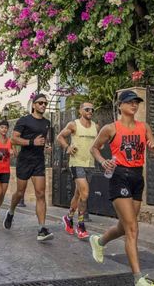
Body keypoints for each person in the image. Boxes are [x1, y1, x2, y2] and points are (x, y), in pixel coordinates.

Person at [88, 90, 154, 286]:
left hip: (137, 177)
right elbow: (94, 148)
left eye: (136, 102)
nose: (134, 105)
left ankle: (99, 241)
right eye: (129, 102)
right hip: (119, 176)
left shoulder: (143, 127)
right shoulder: (111, 128)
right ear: (120, 106)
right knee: (132, 228)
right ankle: (138, 278)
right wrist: (103, 161)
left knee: (124, 226)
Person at [3, 93, 53, 241]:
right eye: (40, 103)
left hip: (38, 161)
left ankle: (41, 229)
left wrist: (46, 147)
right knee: (20, 192)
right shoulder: (24, 120)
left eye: (45, 103)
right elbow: (13, 139)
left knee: (40, 193)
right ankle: (11, 211)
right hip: (24, 161)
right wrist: (32, 142)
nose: (43, 105)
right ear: (33, 105)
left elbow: (43, 141)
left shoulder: (46, 122)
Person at [56, 102, 99, 240]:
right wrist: (67, 147)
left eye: (92, 109)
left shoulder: (96, 127)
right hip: (76, 163)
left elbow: (100, 142)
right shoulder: (73, 125)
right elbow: (60, 137)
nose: (90, 111)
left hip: (90, 164)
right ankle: (81, 224)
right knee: (85, 193)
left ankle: (68, 218)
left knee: (78, 194)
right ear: (80, 111)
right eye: (87, 109)